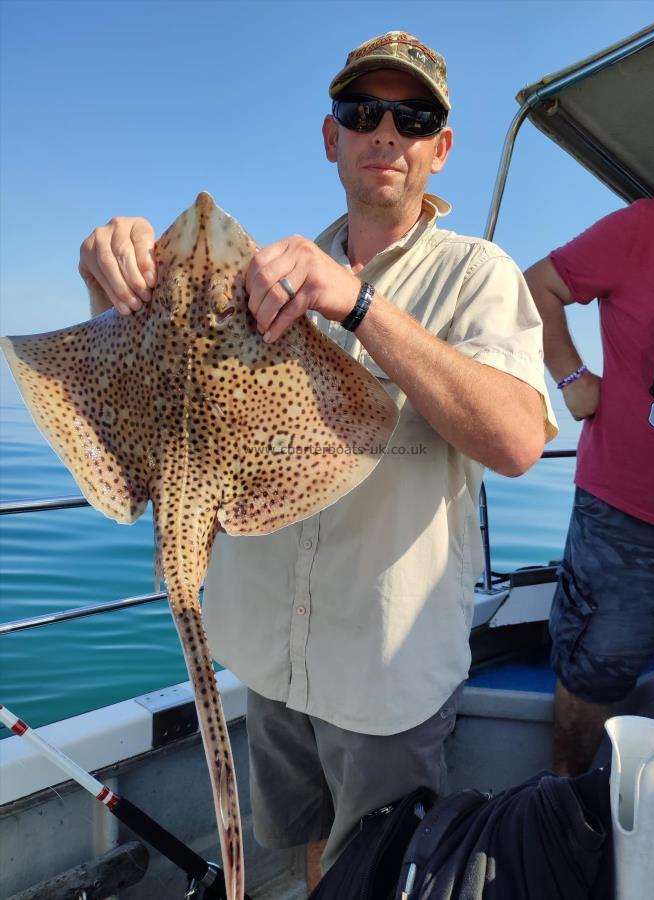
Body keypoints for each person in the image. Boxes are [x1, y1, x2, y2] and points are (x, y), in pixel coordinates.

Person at [79, 31, 557, 889]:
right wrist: (109, 280)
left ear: (439, 149)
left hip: (384, 671)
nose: (385, 131)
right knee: (305, 856)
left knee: (370, 874)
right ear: (330, 136)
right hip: (266, 653)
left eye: (412, 118)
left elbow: (520, 439)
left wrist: (361, 305)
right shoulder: (264, 276)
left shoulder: (478, 275)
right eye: (361, 110)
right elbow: (156, 379)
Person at [525, 199, 654, 778]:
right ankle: (566, 819)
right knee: (591, 676)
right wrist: (570, 378)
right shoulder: (647, 226)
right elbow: (537, 286)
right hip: (626, 517)